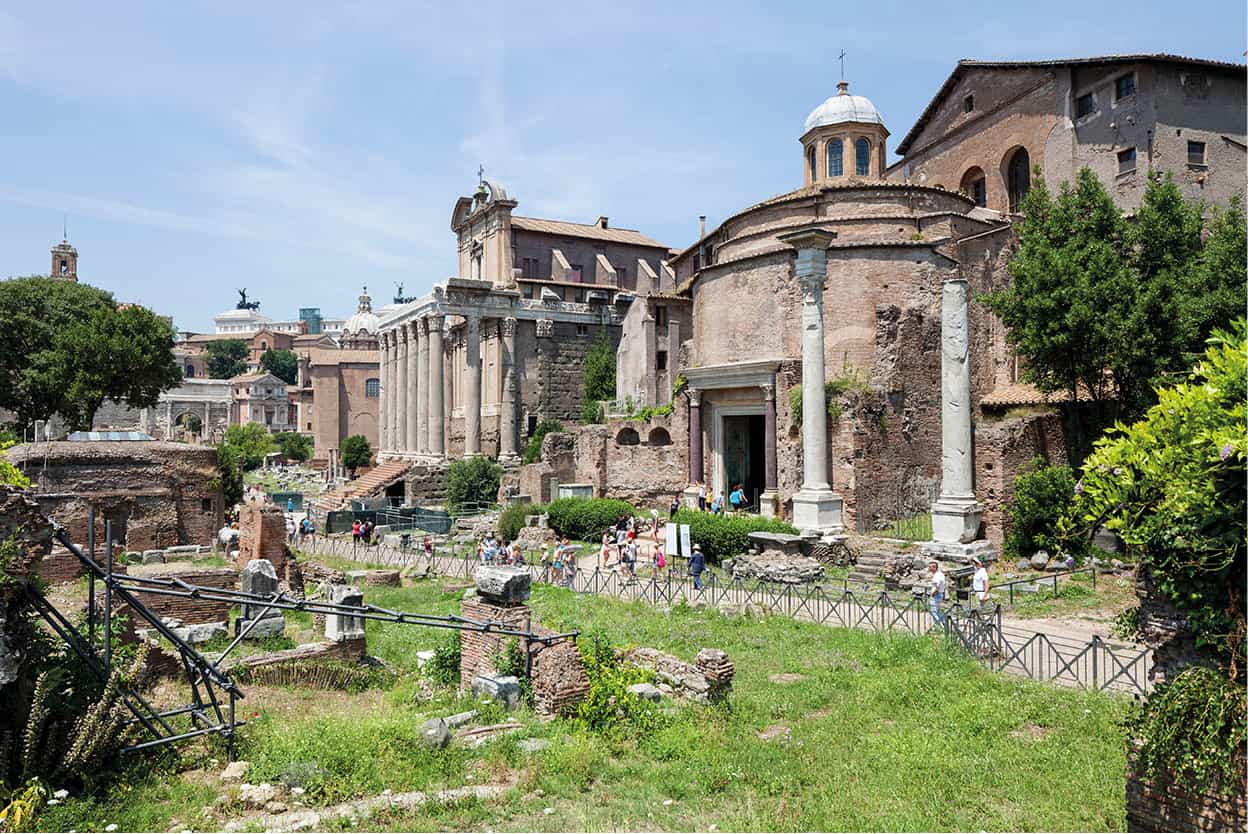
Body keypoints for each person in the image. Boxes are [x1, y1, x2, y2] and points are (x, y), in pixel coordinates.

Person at [927, 559, 947, 627]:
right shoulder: (940, 574)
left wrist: (933, 593)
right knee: (938, 611)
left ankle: (939, 626)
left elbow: (938, 586)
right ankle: (944, 623)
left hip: (936, 595)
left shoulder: (937, 575)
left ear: (934, 567)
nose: (929, 568)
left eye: (930, 567)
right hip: (939, 594)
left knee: (933, 611)